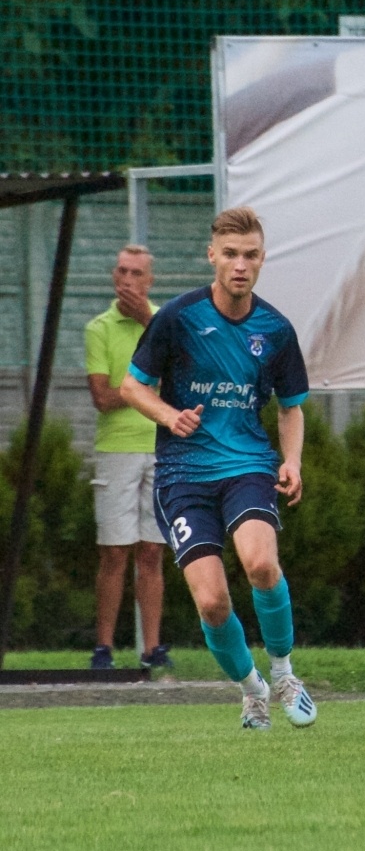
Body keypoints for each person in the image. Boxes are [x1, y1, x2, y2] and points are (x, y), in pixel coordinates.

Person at [121, 207, 316, 730]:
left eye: (250, 255)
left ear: (261, 259)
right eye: (230, 254)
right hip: (182, 475)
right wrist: (168, 414)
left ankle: (283, 673)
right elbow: (131, 385)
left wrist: (291, 460)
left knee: (260, 564)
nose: (240, 265)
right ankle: (251, 691)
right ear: (212, 255)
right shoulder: (178, 319)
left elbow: (292, 405)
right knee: (210, 601)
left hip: (248, 464)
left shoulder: (275, 329)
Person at [84, 245, 170, 671]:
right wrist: (143, 392)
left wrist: (148, 325)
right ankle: (103, 647)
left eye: (137, 273)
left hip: (160, 446)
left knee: (153, 551)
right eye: (121, 271)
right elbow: (101, 397)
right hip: (116, 450)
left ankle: (153, 648)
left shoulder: (164, 324)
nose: (128, 280)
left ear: (149, 281)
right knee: (114, 552)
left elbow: (183, 372)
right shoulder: (99, 328)